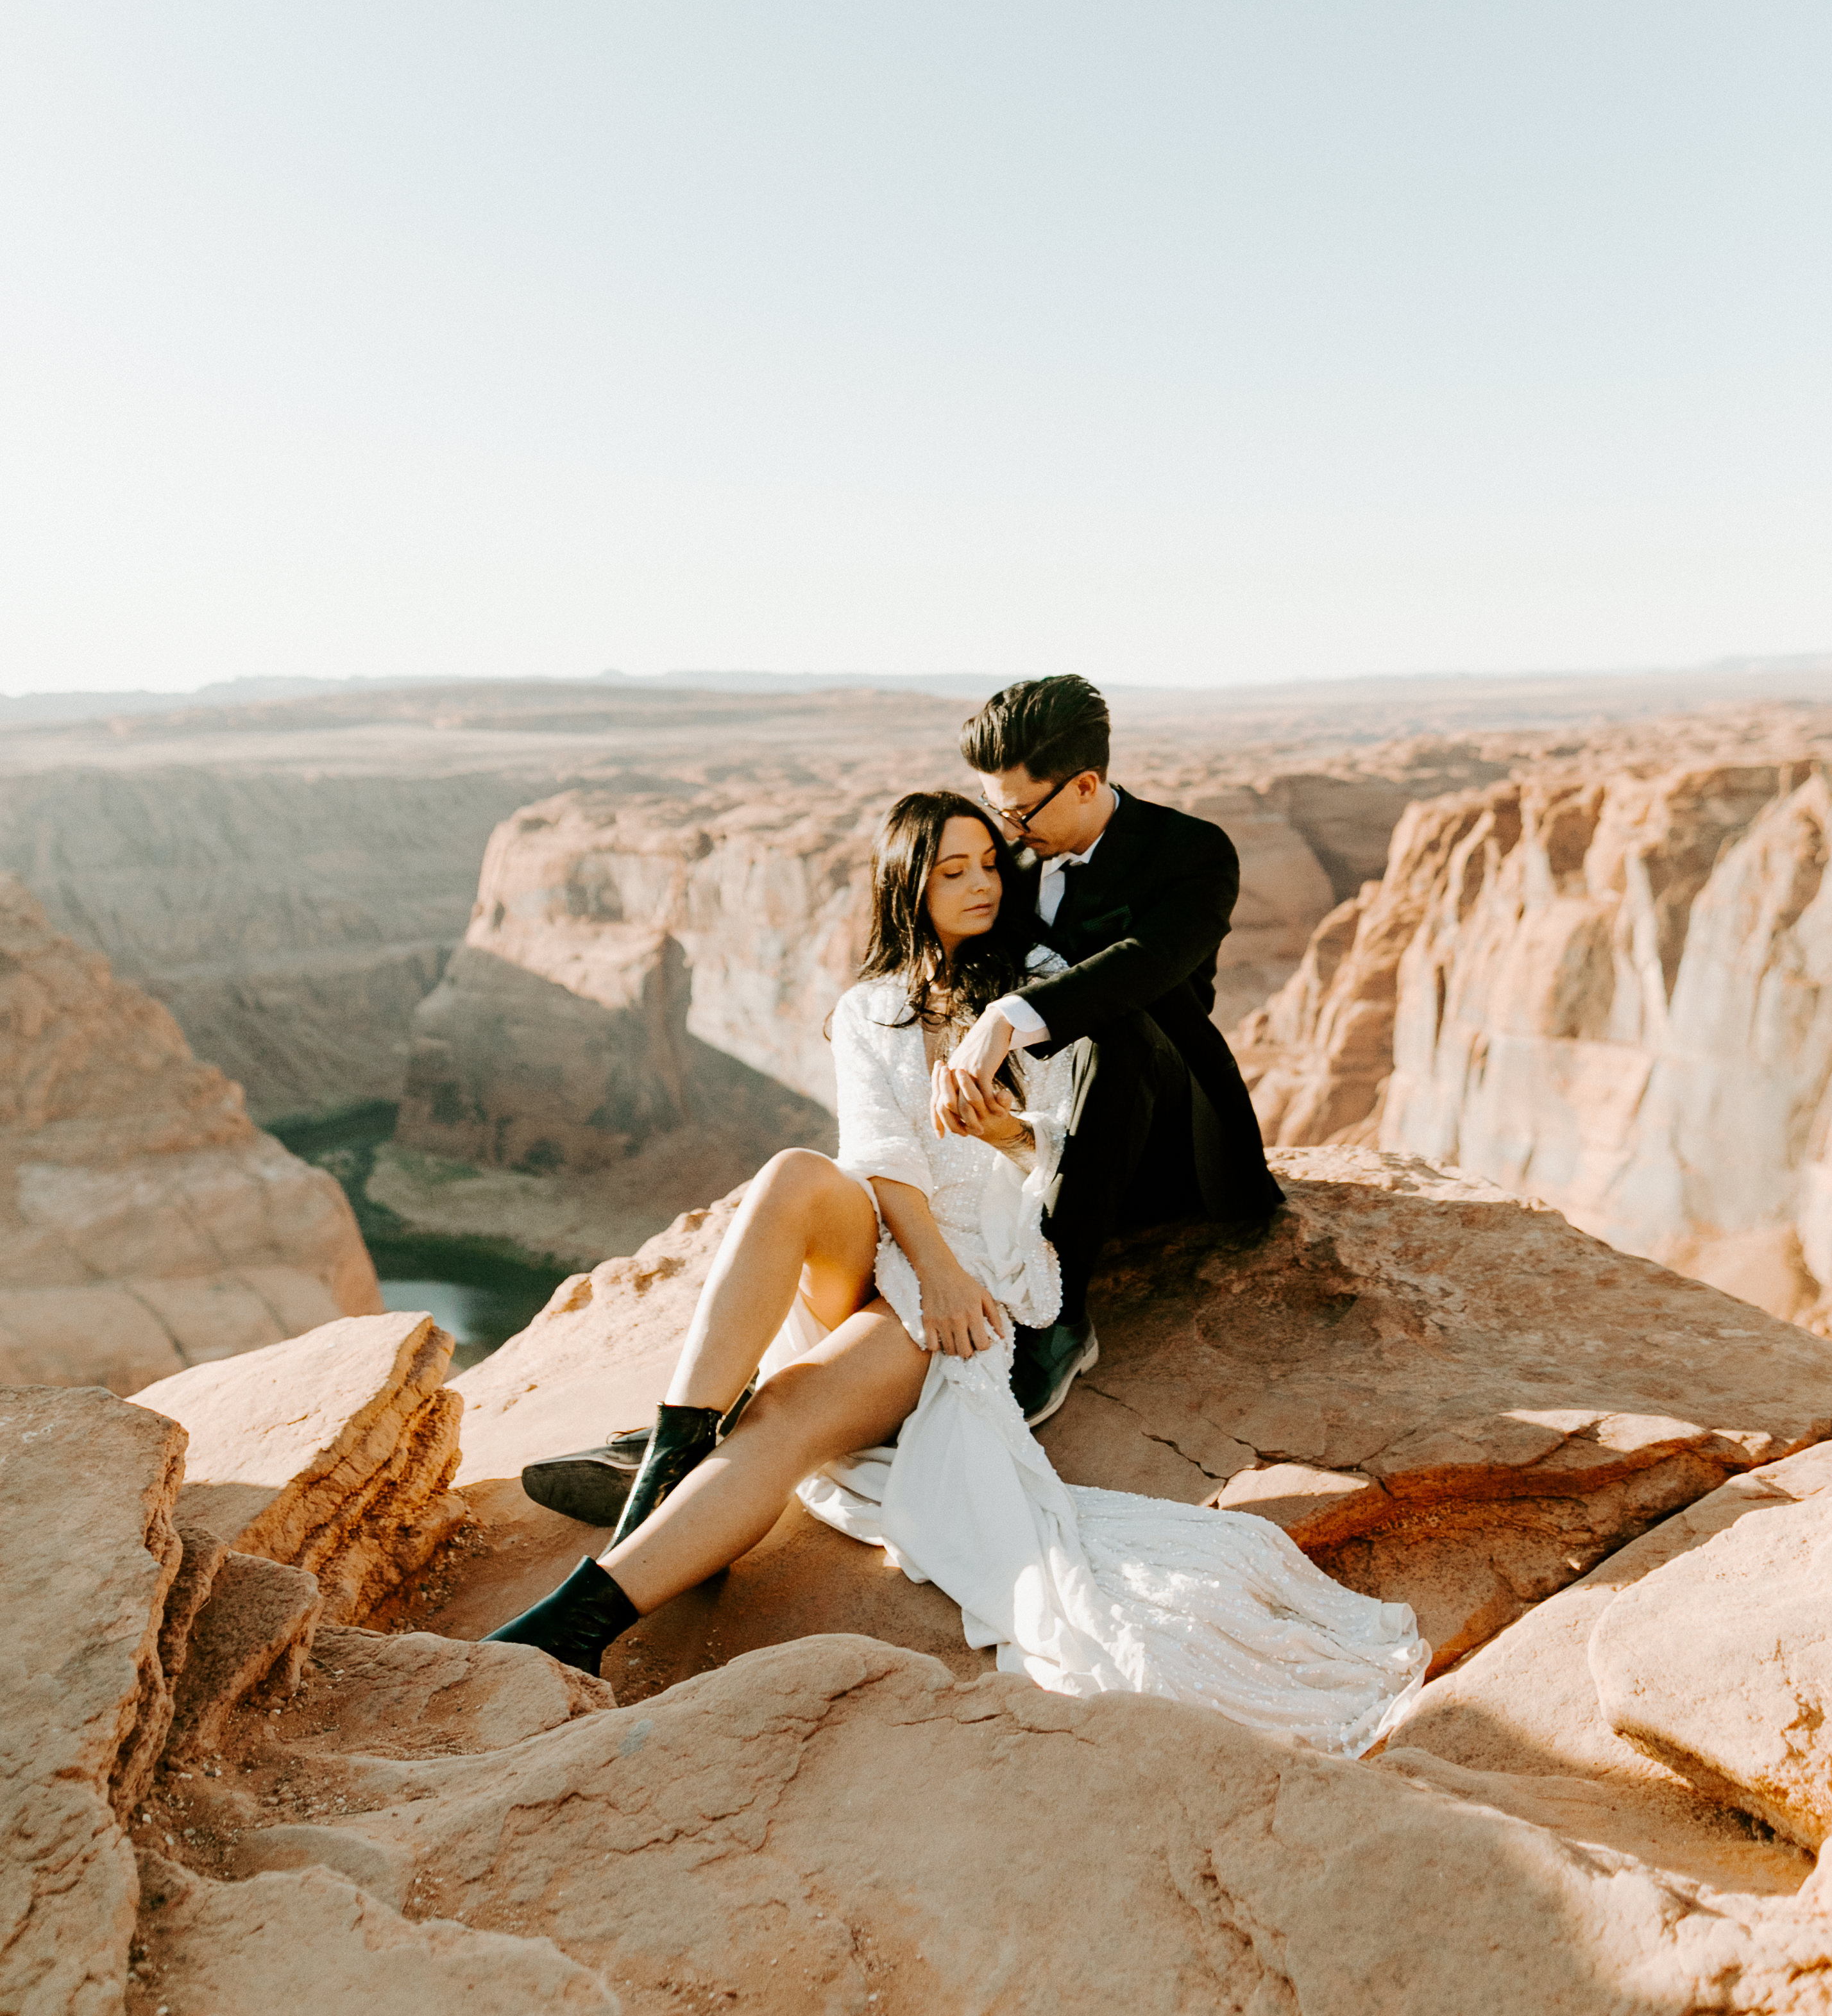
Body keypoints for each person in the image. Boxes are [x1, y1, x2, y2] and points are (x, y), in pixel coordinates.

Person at [486, 792, 1427, 1758]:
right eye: (953, 870)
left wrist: (1006, 1134)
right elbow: (879, 1146)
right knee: (794, 1176)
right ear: (909, 883)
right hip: (901, 1246)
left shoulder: (1043, 992)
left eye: (989, 863)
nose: (981, 884)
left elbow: (1066, 1153)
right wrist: (923, 1261)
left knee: (784, 1413)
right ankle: (666, 1477)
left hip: (984, 1273)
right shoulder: (872, 1006)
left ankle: (576, 1622)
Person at [942, 672, 1285, 1427]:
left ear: (1085, 783)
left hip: (1169, 1142)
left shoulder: (1191, 852)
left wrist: (1009, 1015)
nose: (1007, 829)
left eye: (1018, 811)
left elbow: (1145, 963)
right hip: (1039, 1138)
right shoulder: (1017, 868)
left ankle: (1059, 1317)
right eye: (996, 813)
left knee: (1117, 1021)